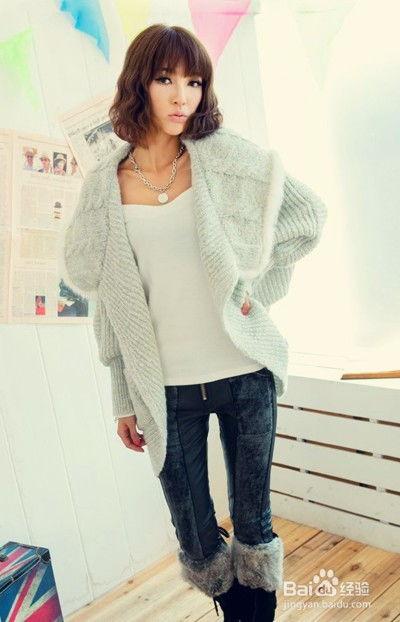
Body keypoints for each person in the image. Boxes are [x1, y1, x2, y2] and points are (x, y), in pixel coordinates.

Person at [62, 24, 327, 621]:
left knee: (254, 529)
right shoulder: (105, 186)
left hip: (245, 374)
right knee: (197, 538)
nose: (183, 95)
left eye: (195, 81)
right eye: (166, 79)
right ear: (140, 84)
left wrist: (250, 293)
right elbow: (111, 303)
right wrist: (123, 396)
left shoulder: (223, 157)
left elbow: (306, 217)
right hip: (169, 390)